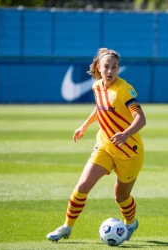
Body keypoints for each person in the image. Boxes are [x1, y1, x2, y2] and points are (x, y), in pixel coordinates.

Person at [46, 48, 146, 242]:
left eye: (114, 67)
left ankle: (131, 223)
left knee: (121, 197)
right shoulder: (97, 86)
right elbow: (100, 108)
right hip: (105, 147)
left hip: (129, 153)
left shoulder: (125, 90)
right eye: (106, 67)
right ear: (98, 68)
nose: (110, 71)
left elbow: (141, 119)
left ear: (118, 69)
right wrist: (85, 125)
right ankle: (67, 227)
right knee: (82, 185)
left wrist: (126, 134)